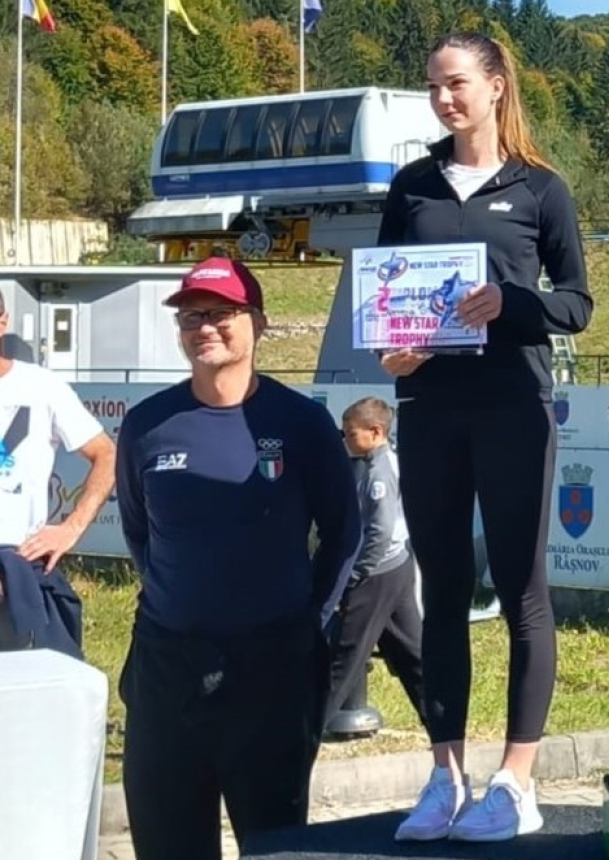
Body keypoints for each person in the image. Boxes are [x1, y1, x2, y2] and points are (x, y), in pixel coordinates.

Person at [377, 32, 592, 843]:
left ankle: (516, 781)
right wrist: (392, 344)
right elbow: (386, 297)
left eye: (457, 83)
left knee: (520, 588)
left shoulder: (541, 189)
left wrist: (513, 305)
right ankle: (445, 778)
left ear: (497, 85)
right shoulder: (410, 187)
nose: (443, 98)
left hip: (513, 408)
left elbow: (576, 304)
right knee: (440, 592)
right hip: (429, 406)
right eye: (433, 85)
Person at [114, 257, 361, 860]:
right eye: (192, 316)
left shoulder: (300, 423)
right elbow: (140, 535)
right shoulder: (148, 426)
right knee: (167, 841)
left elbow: (344, 533)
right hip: (168, 666)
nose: (205, 327)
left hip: (271, 667)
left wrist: (308, 620)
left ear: (257, 323)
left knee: (274, 843)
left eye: (222, 313)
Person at [0, 288, 115, 658]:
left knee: (24, 703)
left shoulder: (41, 387)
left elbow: (106, 455)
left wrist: (71, 528)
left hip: (15, 569)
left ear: (3, 322)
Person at [324, 396, 425, 733]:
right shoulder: (372, 462)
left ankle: (305, 732)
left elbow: (380, 530)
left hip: (378, 573)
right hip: (397, 568)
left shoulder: (379, 471)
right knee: (414, 655)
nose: (345, 440)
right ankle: (443, 723)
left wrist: (356, 574)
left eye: (351, 434)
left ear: (376, 431)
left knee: (345, 658)